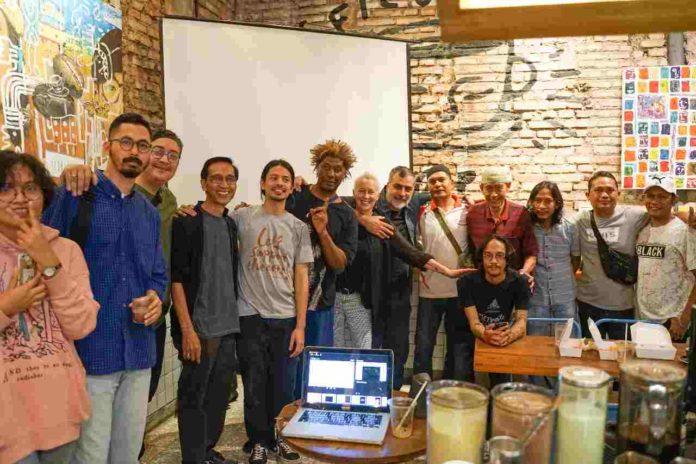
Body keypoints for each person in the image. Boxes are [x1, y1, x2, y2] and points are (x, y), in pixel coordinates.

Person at [43, 112, 167, 464]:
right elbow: (40, 249)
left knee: (127, 455)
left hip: (139, 353)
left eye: (143, 145)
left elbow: (158, 274)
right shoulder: (76, 195)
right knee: (91, 457)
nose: (134, 151)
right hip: (90, 352)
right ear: (107, 145)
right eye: (126, 142)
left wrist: (155, 299)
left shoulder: (148, 213)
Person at [0, 152, 99, 464]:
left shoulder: (66, 250)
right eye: (6, 188)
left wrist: (48, 260)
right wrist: (7, 307)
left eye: (30, 188)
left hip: (59, 408)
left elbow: (82, 324)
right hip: (7, 418)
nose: (20, 198)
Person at [235, 160, 312, 464]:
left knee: (283, 385)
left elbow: (302, 277)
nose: (279, 183)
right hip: (250, 315)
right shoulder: (242, 217)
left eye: (285, 179)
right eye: (273, 178)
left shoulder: (298, 227)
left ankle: (279, 438)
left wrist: (300, 326)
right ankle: (258, 441)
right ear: (263, 183)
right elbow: (212, 218)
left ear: (292, 186)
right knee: (254, 384)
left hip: (285, 317)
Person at [334, 173, 465, 350]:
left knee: (365, 348)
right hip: (333, 294)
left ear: (377, 195)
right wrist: (362, 219)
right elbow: (325, 198)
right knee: (331, 346)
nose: (366, 196)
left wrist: (446, 271)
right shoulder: (341, 210)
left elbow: (410, 252)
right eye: (361, 191)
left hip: (363, 298)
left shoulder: (383, 222)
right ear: (354, 192)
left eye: (371, 192)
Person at [170, 157, 240, 464]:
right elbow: (176, 279)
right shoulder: (187, 221)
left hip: (228, 327)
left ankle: (207, 450)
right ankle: (194, 458)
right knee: (193, 398)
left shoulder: (229, 223)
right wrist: (187, 330)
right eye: (216, 178)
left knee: (219, 397)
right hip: (199, 329)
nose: (224, 184)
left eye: (230, 178)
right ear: (203, 183)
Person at [286, 140, 358, 398]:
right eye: (326, 167)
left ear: (345, 173)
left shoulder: (347, 214)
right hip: (283, 301)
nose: (331, 174)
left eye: (338, 169)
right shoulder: (295, 196)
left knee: (313, 373)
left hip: (319, 305)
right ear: (317, 167)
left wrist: (323, 232)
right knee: (284, 371)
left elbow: (339, 264)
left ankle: (309, 418)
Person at [413, 164, 474, 382]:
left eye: (442, 180)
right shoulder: (421, 212)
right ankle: (421, 394)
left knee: (458, 347)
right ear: (428, 186)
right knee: (424, 345)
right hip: (429, 290)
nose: (438, 184)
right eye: (432, 181)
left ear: (451, 182)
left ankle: (452, 391)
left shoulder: (468, 210)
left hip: (460, 291)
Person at [571, 171, 646, 339]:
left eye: (610, 190)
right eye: (598, 190)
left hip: (623, 305)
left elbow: (667, 216)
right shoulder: (580, 220)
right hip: (587, 303)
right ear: (588, 195)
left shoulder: (633, 216)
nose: (604, 195)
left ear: (618, 193)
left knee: (622, 351)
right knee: (589, 351)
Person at [460, 234, 530, 387]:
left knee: (501, 385)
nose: (493, 261)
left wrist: (510, 335)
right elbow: (474, 322)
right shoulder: (466, 282)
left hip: (501, 335)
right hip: (469, 334)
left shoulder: (520, 282)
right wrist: (485, 334)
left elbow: (521, 321)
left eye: (499, 256)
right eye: (488, 255)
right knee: (462, 377)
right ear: (482, 258)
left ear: (507, 259)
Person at [635, 175, 696, 342]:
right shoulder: (642, 229)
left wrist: (684, 318)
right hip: (642, 319)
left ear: (674, 199)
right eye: (650, 196)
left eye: (662, 196)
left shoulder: (686, 232)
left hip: (672, 322)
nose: (655, 201)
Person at [463, 166, 537, 276]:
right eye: (489, 188)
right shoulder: (473, 214)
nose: (494, 194)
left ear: (508, 186)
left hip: (513, 279)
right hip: (482, 279)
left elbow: (531, 253)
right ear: (481, 188)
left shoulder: (521, 213)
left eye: (499, 188)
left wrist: (523, 273)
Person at [526, 181, 578, 334]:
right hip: (536, 297)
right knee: (536, 342)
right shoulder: (527, 227)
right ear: (532, 202)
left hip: (564, 296)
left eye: (548, 201)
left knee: (567, 341)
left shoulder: (569, 227)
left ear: (557, 204)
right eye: (537, 200)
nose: (542, 206)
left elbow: (576, 259)